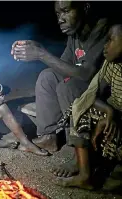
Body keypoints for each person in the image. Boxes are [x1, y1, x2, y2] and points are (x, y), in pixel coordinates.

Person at [11, 1, 111, 153]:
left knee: (68, 87)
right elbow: (63, 65)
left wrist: (41, 54)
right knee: (47, 77)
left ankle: (78, 149)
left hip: (105, 91)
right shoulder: (76, 33)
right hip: (86, 86)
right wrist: (37, 49)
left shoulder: (103, 29)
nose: (60, 19)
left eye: (66, 11)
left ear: (85, 7)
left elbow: (86, 73)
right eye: (58, 14)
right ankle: (49, 137)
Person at [54, 24, 122, 190]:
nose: (105, 46)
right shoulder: (110, 65)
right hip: (114, 110)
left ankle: (118, 171)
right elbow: (92, 93)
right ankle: (84, 174)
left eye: (110, 41)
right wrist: (108, 112)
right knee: (80, 108)